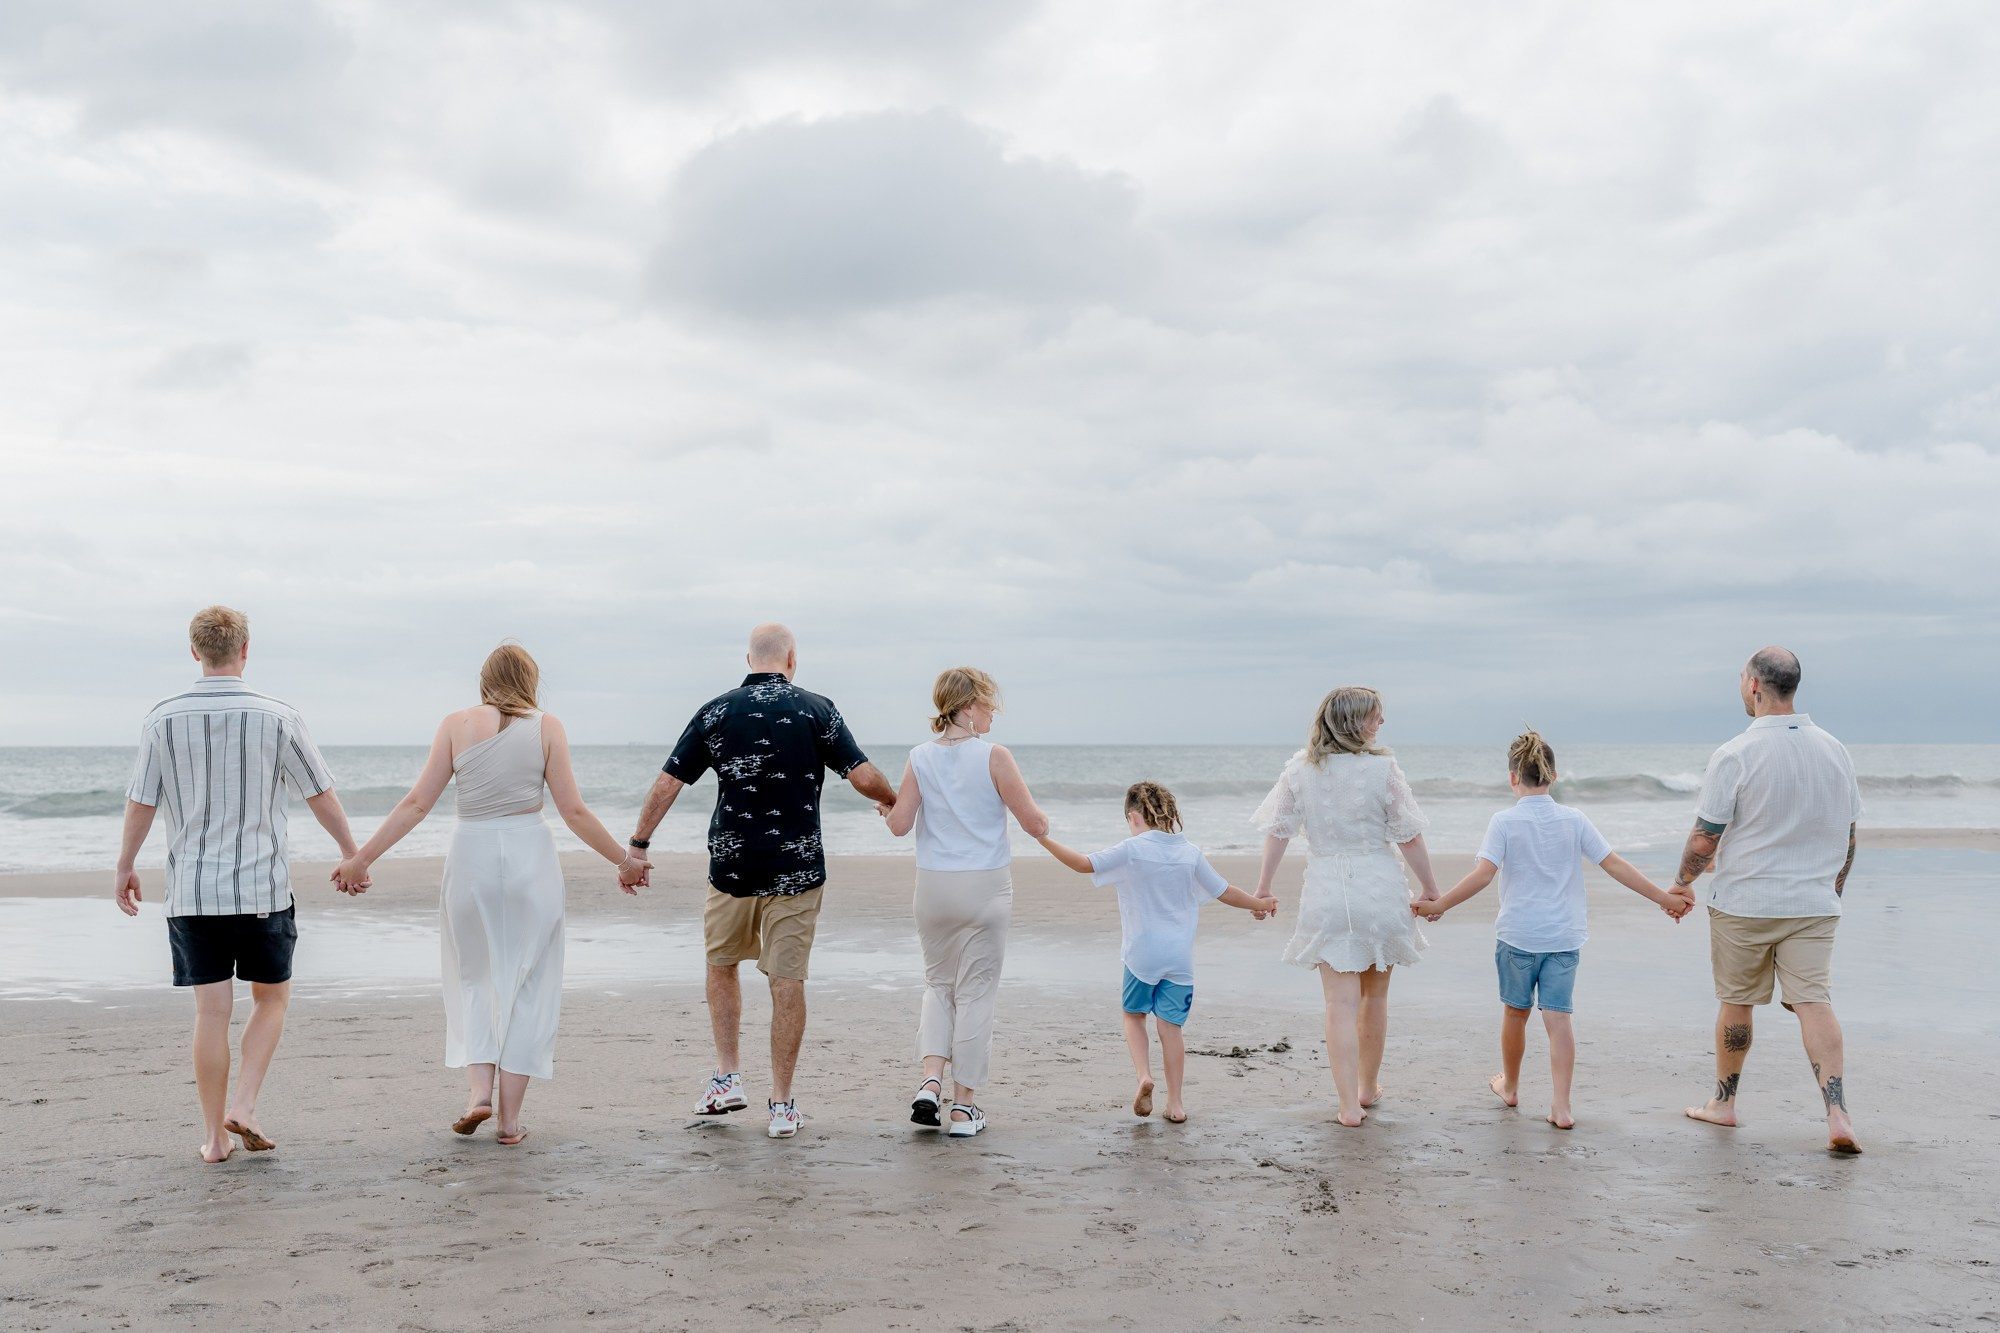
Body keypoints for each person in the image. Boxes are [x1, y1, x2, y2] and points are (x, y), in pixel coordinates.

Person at [333, 645, 642, 1146]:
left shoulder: (455, 724)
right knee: (530, 982)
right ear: (531, 680)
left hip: (471, 855)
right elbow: (574, 811)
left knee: (474, 976)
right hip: (529, 856)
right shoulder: (547, 727)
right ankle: (509, 1122)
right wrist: (623, 862)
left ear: (484, 681)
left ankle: (479, 1093)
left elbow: (417, 803)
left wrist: (361, 858)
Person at [114, 605, 367, 1164]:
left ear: (195, 651)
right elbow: (319, 793)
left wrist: (125, 864)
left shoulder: (162, 719)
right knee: (271, 998)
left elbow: (141, 802)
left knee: (210, 1014)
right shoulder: (278, 716)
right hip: (261, 891)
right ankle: (245, 1105)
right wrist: (352, 852)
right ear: (246, 650)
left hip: (192, 893)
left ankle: (214, 1138)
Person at [625, 623, 897, 1139]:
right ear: (792, 659)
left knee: (722, 964)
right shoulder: (817, 709)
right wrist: (893, 800)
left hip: (732, 868)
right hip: (798, 870)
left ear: (748, 659)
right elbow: (861, 775)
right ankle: (782, 1104)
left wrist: (638, 847)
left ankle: (727, 1077)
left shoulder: (717, 711)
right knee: (786, 979)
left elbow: (668, 782)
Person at [1413, 729, 1692, 1129]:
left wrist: (1440, 905)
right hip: (1563, 937)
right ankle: (1561, 1107)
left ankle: (1510, 1086)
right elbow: (1615, 865)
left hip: (1518, 937)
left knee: (1515, 1013)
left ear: (1512, 777)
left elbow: (1483, 875)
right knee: (1558, 1019)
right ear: (1554, 776)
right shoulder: (1574, 819)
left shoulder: (1504, 821)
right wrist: (1665, 899)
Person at [1672, 647, 1863, 1155]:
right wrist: (1832, 890)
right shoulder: (1835, 749)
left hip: (1745, 903)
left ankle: (1724, 1104)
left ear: (1754, 685)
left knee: (1737, 1003)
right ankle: (1838, 1113)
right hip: (1814, 904)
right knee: (1814, 1003)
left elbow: (1705, 838)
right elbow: (1848, 836)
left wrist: (1682, 882)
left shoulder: (1736, 753)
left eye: (1741, 677)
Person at [1251, 686, 1439, 1127]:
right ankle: (1367, 1087)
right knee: (1375, 996)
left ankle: (1348, 1107)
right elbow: (1409, 835)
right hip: (1378, 887)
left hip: (1327, 891)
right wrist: (1430, 889)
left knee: (1339, 1003)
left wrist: (1262, 888)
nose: (1382, 722)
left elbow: (1278, 831)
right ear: (1354, 721)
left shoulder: (1299, 770)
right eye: (1376, 715)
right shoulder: (1383, 769)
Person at [1037, 782, 1277, 1124]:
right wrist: (1260, 904)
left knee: (1134, 1016)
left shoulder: (1132, 849)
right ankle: (1176, 1104)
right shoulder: (1190, 852)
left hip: (1141, 955)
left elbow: (1082, 864)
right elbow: (1225, 891)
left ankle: (1144, 1077)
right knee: (1171, 1028)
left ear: (1133, 817)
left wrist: (1042, 838)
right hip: (1179, 958)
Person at [876, 667, 1050, 1137]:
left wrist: (887, 809)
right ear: (969, 707)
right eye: (989, 703)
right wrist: (1043, 820)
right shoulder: (995, 756)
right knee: (975, 992)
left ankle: (930, 1082)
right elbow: (1035, 824)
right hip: (984, 886)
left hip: (933, 887)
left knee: (938, 985)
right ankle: (963, 1109)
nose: (994, 713)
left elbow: (899, 826)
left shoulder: (919, 756)